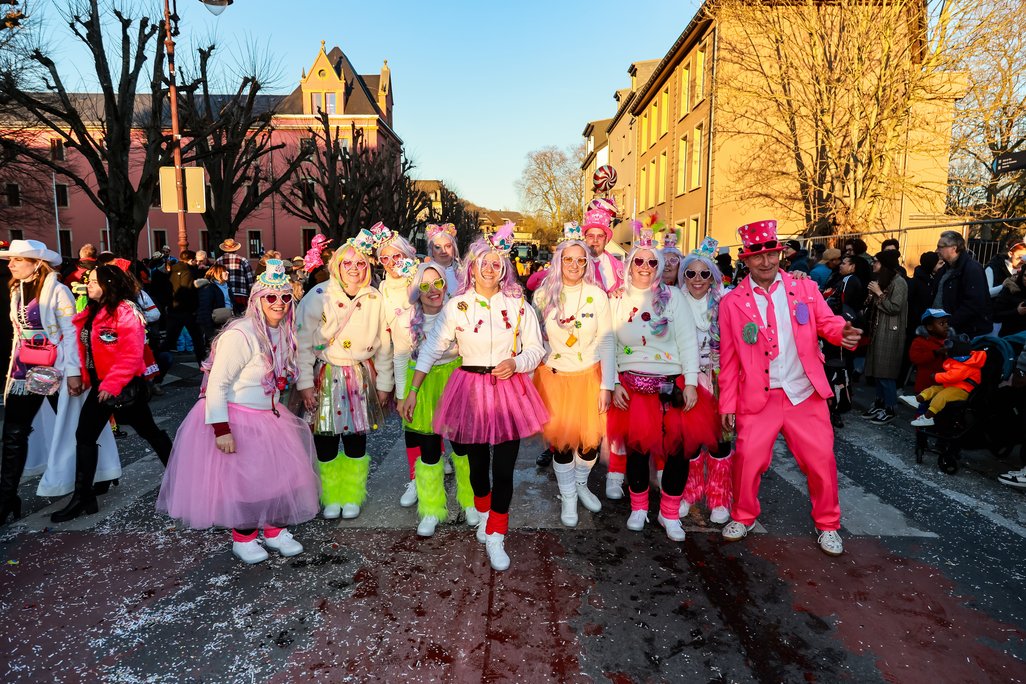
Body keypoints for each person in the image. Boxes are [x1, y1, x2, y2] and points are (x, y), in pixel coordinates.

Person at [157, 260, 320, 564]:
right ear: (258, 299)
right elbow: (217, 383)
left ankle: (273, 529)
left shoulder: (283, 332)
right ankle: (243, 537)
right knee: (246, 483)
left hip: (269, 416)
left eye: (285, 297)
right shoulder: (241, 334)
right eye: (271, 297)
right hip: (239, 417)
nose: (279, 303)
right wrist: (221, 429)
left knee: (277, 478)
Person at [406, 223, 548, 571]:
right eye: (483, 262)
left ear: (504, 268)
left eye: (496, 262)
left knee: (503, 467)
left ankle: (497, 532)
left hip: (507, 389)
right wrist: (413, 390)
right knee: (476, 466)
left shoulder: (518, 305)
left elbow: (536, 349)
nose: (489, 268)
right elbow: (431, 349)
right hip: (468, 390)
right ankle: (484, 514)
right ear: (472, 267)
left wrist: (516, 361)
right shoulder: (457, 305)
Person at [718, 220, 862, 557]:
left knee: (821, 460)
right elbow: (728, 360)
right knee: (747, 462)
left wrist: (843, 333)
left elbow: (828, 323)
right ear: (745, 260)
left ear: (780, 254)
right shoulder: (731, 303)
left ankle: (828, 524)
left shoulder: (806, 289)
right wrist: (727, 404)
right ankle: (744, 515)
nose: (766, 262)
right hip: (758, 395)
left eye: (771, 254)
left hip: (804, 394)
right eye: (757, 257)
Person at [607, 218, 714, 543]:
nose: (645, 266)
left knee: (678, 450)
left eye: (652, 261)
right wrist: (614, 383)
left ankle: (669, 513)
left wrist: (692, 382)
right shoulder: (618, 298)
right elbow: (607, 342)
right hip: (631, 385)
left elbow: (687, 341)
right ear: (630, 264)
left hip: (672, 384)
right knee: (637, 449)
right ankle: (639, 508)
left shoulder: (674, 298)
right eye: (639, 260)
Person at [51, 265, 173, 523]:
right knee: (84, 435)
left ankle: (180, 479)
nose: (89, 285)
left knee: (149, 431)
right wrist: (85, 379)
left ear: (109, 284)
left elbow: (131, 353)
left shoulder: (125, 311)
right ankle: (84, 497)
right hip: (100, 386)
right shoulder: (93, 310)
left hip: (123, 387)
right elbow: (86, 348)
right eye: (89, 280)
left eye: (94, 281)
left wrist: (111, 384)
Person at [0, 240, 111, 524]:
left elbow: (70, 333)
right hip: (25, 370)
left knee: (75, 427)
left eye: (18, 260)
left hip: (54, 370)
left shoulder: (58, 291)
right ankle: (7, 497)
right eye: (11, 259)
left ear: (37, 263)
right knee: (14, 431)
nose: (11, 264)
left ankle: (88, 485)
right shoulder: (16, 290)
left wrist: (74, 372)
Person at [295, 229, 393, 521]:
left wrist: (385, 383)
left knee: (355, 438)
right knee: (324, 438)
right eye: (347, 263)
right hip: (325, 374)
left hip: (359, 376)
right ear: (336, 266)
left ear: (368, 267)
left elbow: (385, 345)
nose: (353, 269)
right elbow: (302, 343)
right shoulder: (318, 295)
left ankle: (351, 494)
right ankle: (332, 495)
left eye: (360, 263)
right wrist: (304, 384)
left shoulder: (375, 298)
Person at [531, 222, 614, 527]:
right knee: (563, 444)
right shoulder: (543, 296)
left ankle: (581, 484)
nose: (575, 265)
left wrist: (607, 385)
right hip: (555, 378)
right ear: (559, 262)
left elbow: (607, 340)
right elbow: (533, 339)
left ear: (587, 263)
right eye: (569, 259)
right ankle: (568, 496)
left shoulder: (597, 295)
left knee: (590, 443)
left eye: (581, 260)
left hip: (590, 377)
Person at [397, 262, 476, 537]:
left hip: (456, 379)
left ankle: (470, 500)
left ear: (446, 284)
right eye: (425, 286)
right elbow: (399, 357)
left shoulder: (459, 313)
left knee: (463, 447)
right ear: (416, 292)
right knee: (430, 449)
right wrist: (402, 395)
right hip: (423, 383)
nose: (433, 291)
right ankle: (431, 507)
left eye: (438, 283)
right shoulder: (405, 319)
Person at [677, 237, 733, 524]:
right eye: (691, 273)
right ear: (683, 275)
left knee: (720, 442)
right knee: (689, 442)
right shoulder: (673, 302)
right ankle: (689, 492)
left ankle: (720, 498)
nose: (697, 279)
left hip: (719, 378)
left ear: (713, 276)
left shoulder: (727, 302)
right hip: (687, 379)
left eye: (704, 273)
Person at [372, 223, 427, 506]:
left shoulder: (423, 277)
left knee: (434, 417)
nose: (393, 263)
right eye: (385, 258)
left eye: (398, 257)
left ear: (408, 255)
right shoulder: (382, 288)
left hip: (431, 359)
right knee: (410, 420)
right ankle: (415, 478)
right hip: (403, 359)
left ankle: (434, 469)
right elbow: (384, 334)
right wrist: (385, 381)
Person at [863, 250, 908, 424]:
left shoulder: (899, 283)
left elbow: (894, 307)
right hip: (878, 330)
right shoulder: (884, 280)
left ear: (885, 265)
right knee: (877, 370)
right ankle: (880, 403)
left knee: (886, 373)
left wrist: (879, 293)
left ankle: (890, 408)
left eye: (876, 262)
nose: (873, 264)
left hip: (891, 332)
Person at [899, 336, 985, 427]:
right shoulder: (962, 360)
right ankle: (917, 400)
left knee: (941, 397)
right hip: (953, 386)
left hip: (963, 390)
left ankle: (928, 418)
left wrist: (936, 376)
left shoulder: (967, 365)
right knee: (933, 389)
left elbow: (952, 376)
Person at [932, 230, 991, 338]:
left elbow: (974, 303)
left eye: (940, 247)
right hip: (946, 330)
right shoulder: (944, 270)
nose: (937, 250)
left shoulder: (972, 269)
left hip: (965, 332)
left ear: (953, 248)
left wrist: (949, 323)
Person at [163, 250, 205, 365]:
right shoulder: (189, 272)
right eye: (195, 261)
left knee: (169, 340)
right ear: (191, 260)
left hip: (173, 309)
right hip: (187, 311)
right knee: (198, 340)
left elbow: (166, 289)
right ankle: (203, 365)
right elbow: (188, 291)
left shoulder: (172, 270)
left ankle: (157, 367)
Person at [582, 198, 624, 293]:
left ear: (606, 240)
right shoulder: (575, 266)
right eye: (591, 236)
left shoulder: (620, 267)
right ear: (585, 238)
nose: (595, 240)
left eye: (600, 236)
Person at [908, 309, 952, 395]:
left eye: (947, 323)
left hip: (943, 386)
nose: (946, 326)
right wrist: (935, 353)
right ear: (930, 327)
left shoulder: (948, 341)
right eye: (942, 323)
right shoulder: (919, 341)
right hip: (925, 386)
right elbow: (915, 358)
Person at [217, 238, 255, 315]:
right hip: (241, 294)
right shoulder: (243, 260)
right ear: (235, 249)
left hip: (224, 293)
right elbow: (250, 280)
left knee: (226, 318)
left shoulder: (218, 261)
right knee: (241, 318)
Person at [196, 264, 232, 343]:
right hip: (215, 323)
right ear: (218, 273)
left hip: (227, 321)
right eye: (224, 271)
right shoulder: (208, 288)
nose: (227, 273)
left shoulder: (227, 286)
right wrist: (210, 331)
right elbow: (205, 309)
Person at [992, 262, 1026, 337]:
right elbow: (995, 315)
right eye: (1025, 275)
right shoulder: (1010, 289)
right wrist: (1017, 312)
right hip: (1010, 338)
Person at [426, 223, 461, 295]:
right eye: (438, 247)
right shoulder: (424, 273)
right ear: (431, 250)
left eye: (448, 246)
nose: (443, 251)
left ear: (454, 248)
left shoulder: (463, 273)